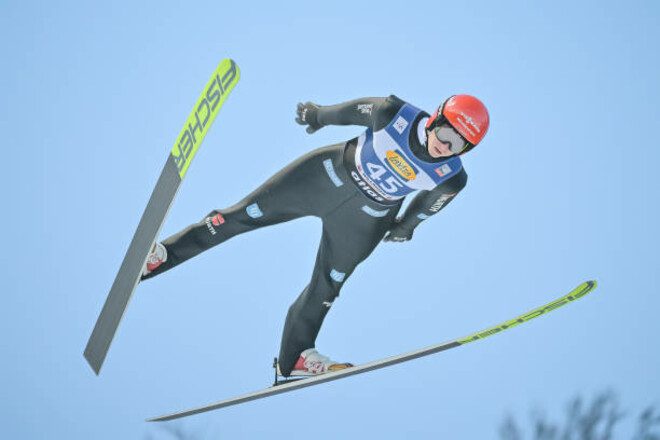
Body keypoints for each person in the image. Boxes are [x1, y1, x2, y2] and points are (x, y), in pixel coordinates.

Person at [141, 94, 490, 378]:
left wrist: (405, 228)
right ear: (435, 120)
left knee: (327, 286)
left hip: (364, 220)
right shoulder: (393, 113)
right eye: (446, 136)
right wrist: (318, 115)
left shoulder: (452, 177)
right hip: (322, 177)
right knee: (241, 215)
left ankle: (294, 359)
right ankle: (161, 257)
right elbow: (351, 112)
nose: (447, 147)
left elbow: (427, 206)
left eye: (461, 145)